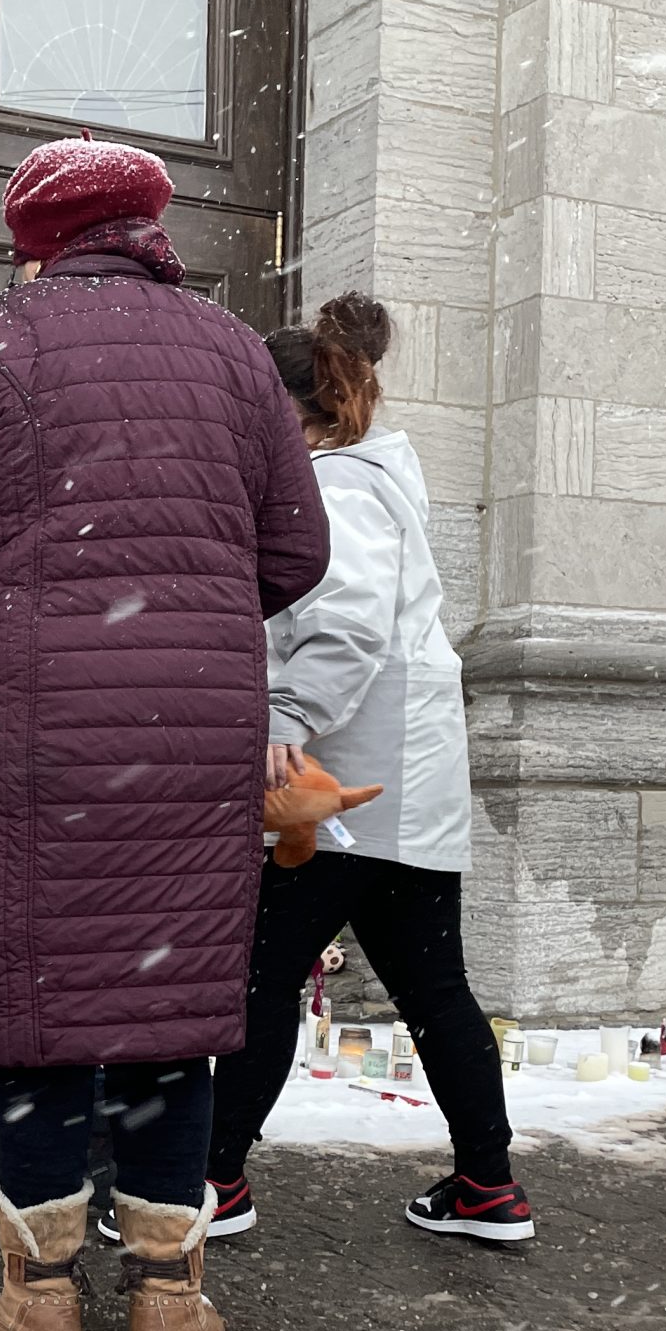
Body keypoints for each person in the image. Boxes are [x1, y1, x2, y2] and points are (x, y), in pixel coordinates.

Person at [0, 135, 329, 1331]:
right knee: (170, 1010)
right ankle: (170, 1301)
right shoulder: (234, 353)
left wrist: (5, 581)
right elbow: (296, 553)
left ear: (39, 235)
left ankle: (43, 1302)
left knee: (39, 1012)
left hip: (27, 734)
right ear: (149, 227)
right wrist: (187, 590)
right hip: (188, 727)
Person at [187, 293, 529, 1247]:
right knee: (433, 988)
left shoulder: (335, 487)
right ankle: (487, 1186)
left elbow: (343, 625)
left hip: (342, 786)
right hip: (389, 788)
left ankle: (216, 1180)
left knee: (263, 979)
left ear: (285, 410)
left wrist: (287, 718)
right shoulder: (370, 479)